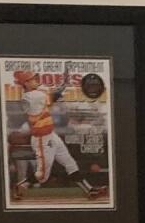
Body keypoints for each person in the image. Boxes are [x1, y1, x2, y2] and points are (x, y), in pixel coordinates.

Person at [14, 69, 106, 198]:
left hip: (51, 135)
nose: (36, 80)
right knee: (42, 176)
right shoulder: (31, 96)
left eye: (35, 78)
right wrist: (64, 84)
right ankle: (21, 186)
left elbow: (53, 94)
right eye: (32, 79)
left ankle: (90, 190)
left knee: (70, 163)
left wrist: (63, 84)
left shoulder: (35, 93)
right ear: (26, 83)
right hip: (42, 139)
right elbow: (55, 95)